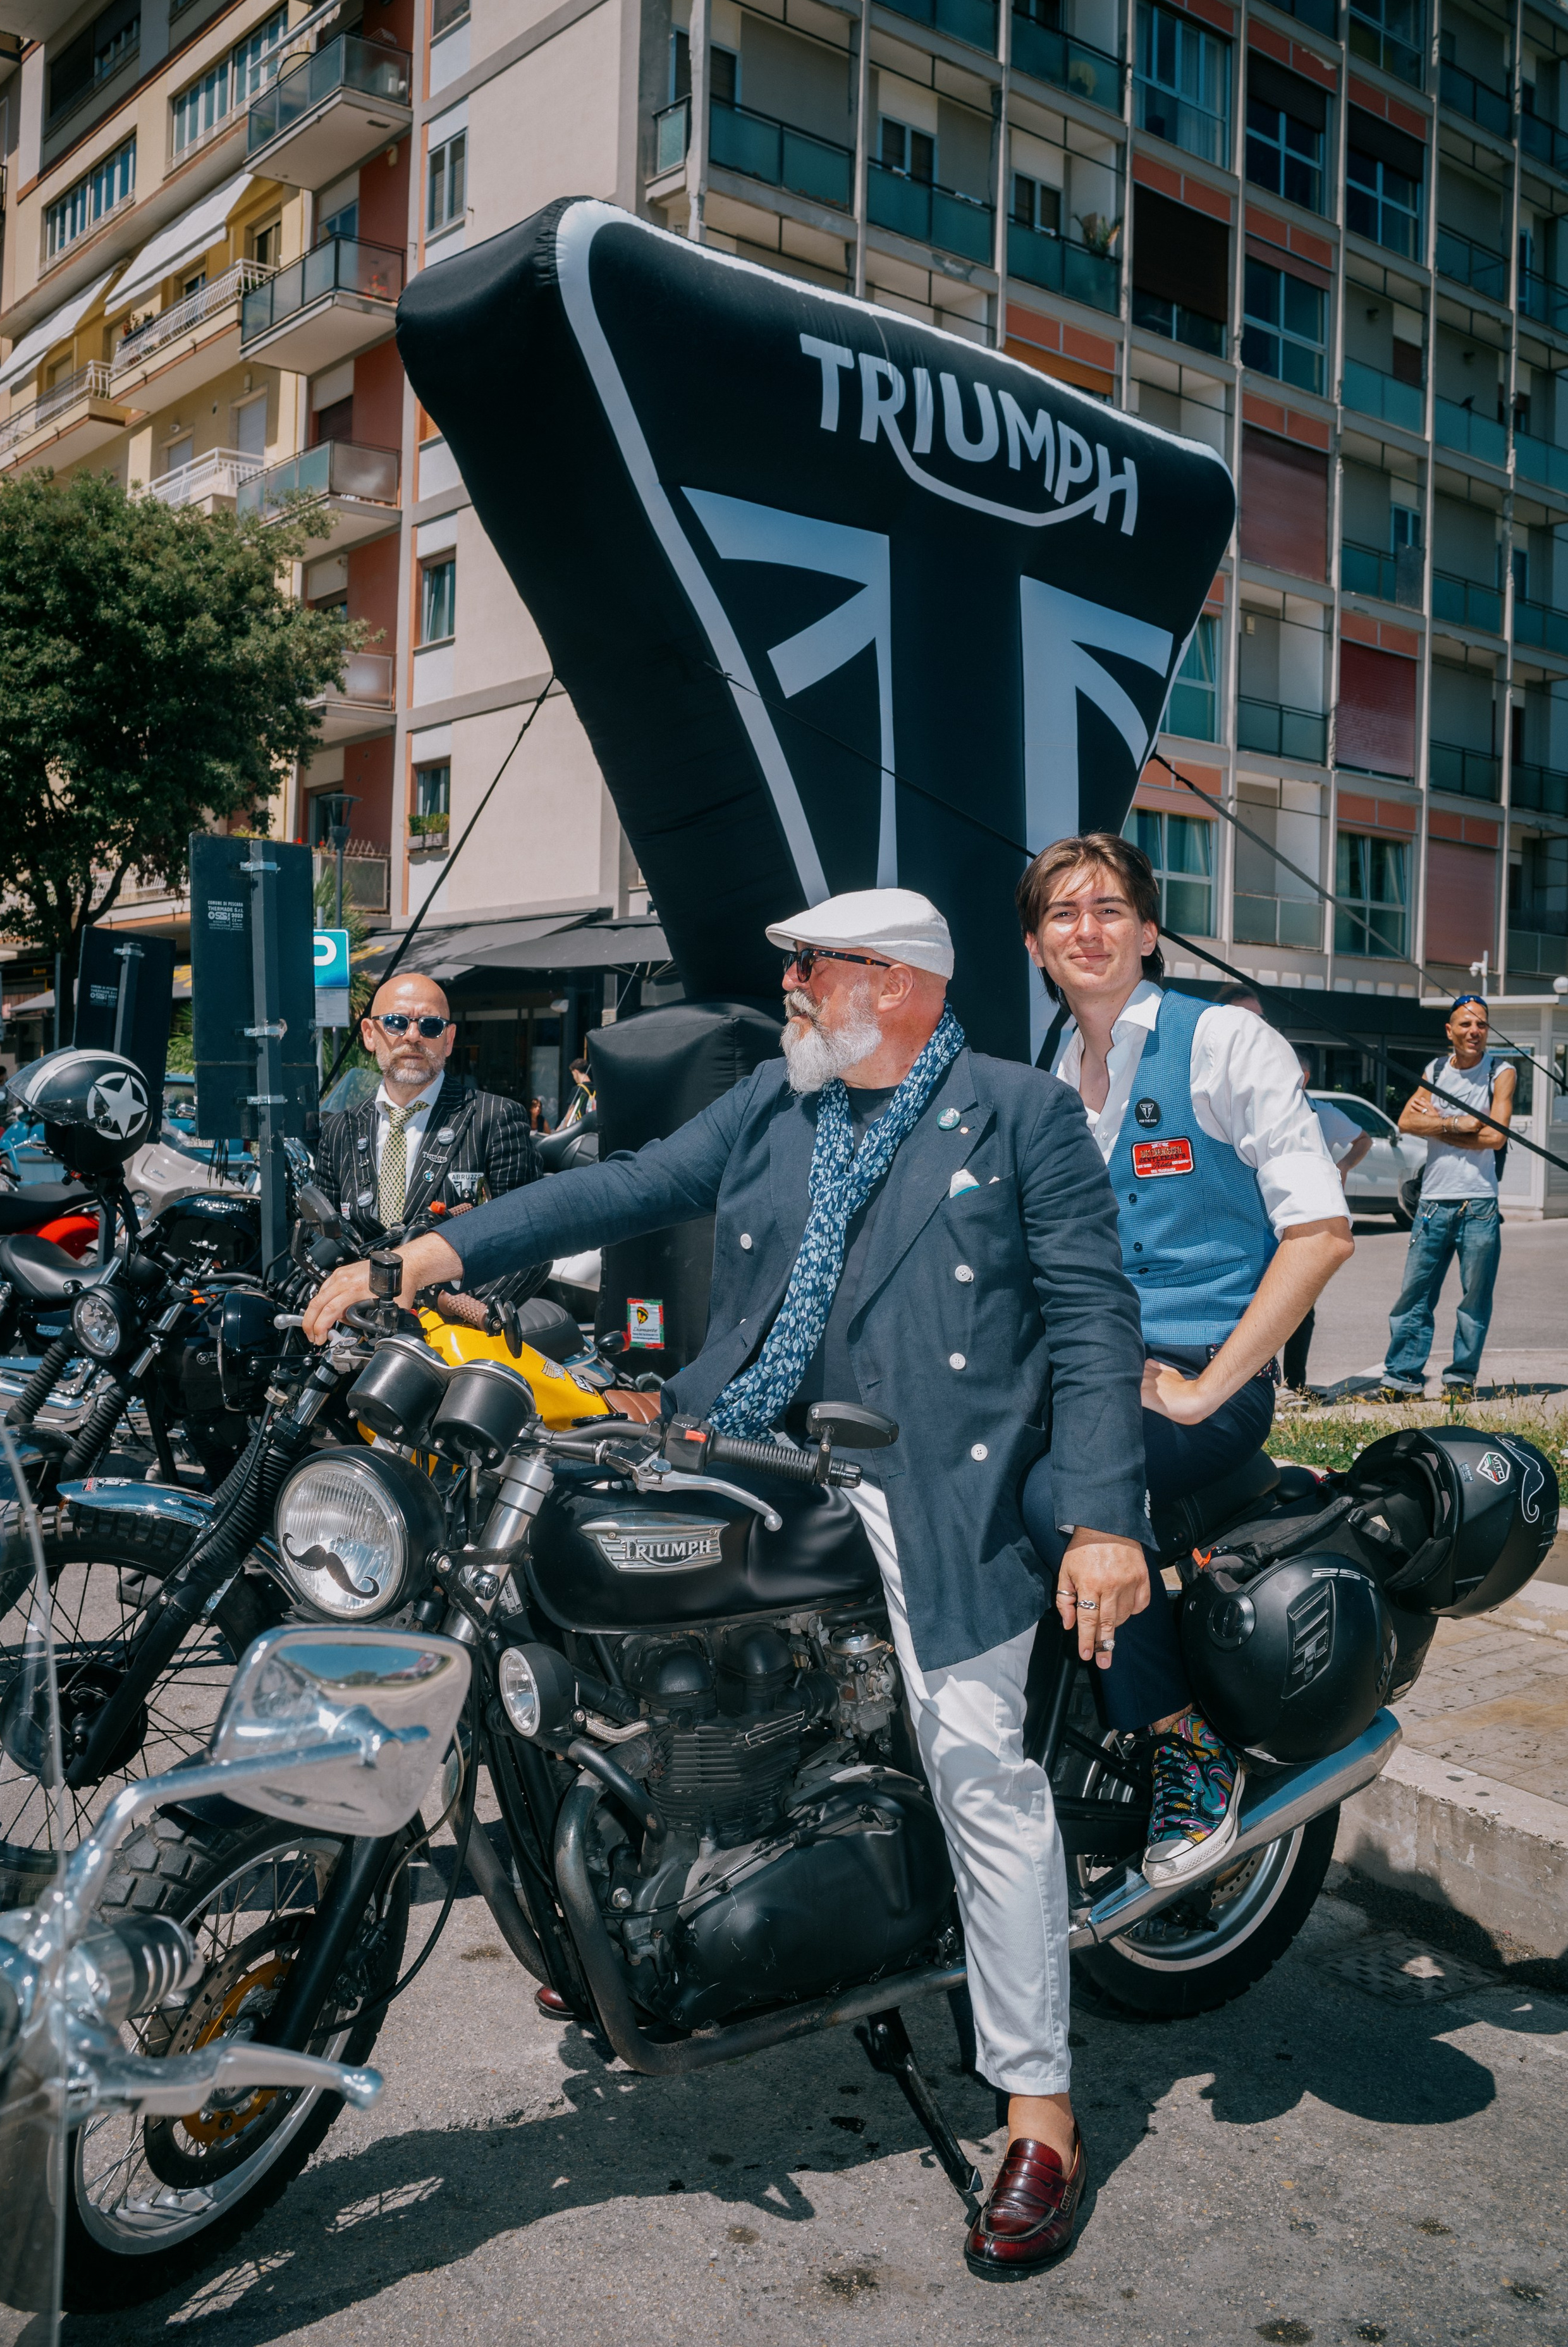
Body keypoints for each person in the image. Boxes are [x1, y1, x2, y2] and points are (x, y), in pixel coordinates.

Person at [305, 888, 1156, 2281]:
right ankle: (641, 1914)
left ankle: (1038, 2112)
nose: (792, 989)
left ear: (890, 983)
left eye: (809, 967)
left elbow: (1087, 1310)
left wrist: (1102, 1518)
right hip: (743, 1440)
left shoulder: (1014, 1113)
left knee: (974, 1767)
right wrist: (427, 1253)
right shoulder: (777, 1102)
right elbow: (621, 1185)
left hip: (932, 1478)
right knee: (562, 1623)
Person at [1019, 834, 1353, 1881]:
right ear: (1036, 944)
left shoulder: (1223, 1045)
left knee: (1057, 1499)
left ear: (1150, 930)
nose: (1089, 929)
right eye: (1064, 913)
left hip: (1195, 1376)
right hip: (1081, 1370)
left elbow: (1320, 1232)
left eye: (1110, 908)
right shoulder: (1047, 1069)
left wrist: (1215, 1384)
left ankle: (1183, 1742)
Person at [315, 971, 537, 1240]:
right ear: (369, 1034)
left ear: (449, 1040)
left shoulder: (496, 1120)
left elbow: (528, 1242)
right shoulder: (340, 1130)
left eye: (430, 1025)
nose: (413, 1035)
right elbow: (319, 1239)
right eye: (396, 1022)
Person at [1379, 995, 1514, 1402]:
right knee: (1415, 1296)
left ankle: (1460, 1381)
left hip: (1480, 1204)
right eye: (1466, 1025)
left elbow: (1495, 1136)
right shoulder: (1435, 1070)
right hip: (1434, 1201)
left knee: (1474, 1299)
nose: (1475, 1031)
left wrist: (1436, 1125)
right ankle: (1401, 1380)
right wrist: (1460, 1122)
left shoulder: (1500, 1071)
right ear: (1450, 1031)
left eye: (1482, 1025)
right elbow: (1406, 1121)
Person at [1282, 1046, 1371, 1396]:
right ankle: (1253, 1386)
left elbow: (1363, 1139)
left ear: (1302, 1078)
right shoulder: (1257, 1107)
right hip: (1260, 1219)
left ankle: (1295, 1387)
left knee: (1302, 1305)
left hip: (1309, 1219)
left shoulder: (1323, 1114)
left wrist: (1344, 1165)